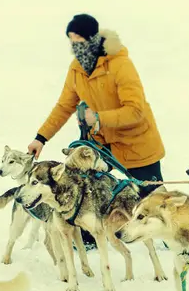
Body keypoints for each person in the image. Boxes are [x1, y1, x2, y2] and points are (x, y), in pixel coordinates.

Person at [27, 13, 165, 250]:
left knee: (152, 197)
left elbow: (136, 110)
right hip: (103, 144)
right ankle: (89, 234)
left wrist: (99, 118)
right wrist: (41, 138)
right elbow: (64, 106)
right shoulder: (76, 69)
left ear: (92, 39)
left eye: (79, 41)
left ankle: (174, 234)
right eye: (71, 42)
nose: (74, 47)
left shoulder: (121, 65)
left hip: (136, 142)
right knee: (83, 181)